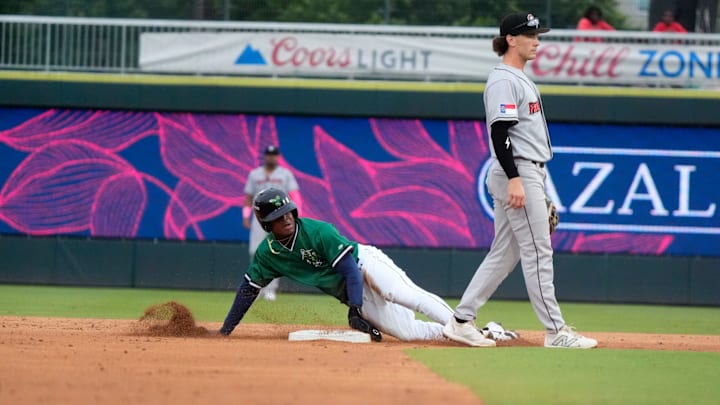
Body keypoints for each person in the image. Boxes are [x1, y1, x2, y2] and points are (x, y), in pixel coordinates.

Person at [442, 12, 597, 349]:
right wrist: (516, 179)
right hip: (518, 169)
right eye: (530, 35)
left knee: (504, 254)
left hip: (528, 170)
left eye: (538, 35)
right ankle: (556, 332)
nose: (537, 41)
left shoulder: (517, 77)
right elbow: (501, 133)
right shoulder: (503, 80)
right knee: (539, 252)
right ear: (511, 39)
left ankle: (461, 320)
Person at [219, 188, 511, 344]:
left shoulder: (318, 231)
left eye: (288, 212)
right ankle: (487, 332)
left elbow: (348, 268)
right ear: (267, 224)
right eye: (279, 216)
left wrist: (355, 309)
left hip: (364, 263)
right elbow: (248, 289)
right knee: (407, 332)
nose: (287, 218)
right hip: (351, 291)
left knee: (402, 293)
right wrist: (225, 330)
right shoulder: (268, 254)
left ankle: (462, 326)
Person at [243, 145, 301, 301]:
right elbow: (248, 197)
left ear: (278, 157)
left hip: (280, 216)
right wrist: (246, 215)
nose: (271, 157)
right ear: (264, 156)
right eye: (269, 154)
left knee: (276, 251)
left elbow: (294, 194)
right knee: (254, 251)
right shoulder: (255, 174)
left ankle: (270, 289)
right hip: (260, 216)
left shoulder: (285, 174)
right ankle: (255, 286)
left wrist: (297, 215)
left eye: (274, 154)